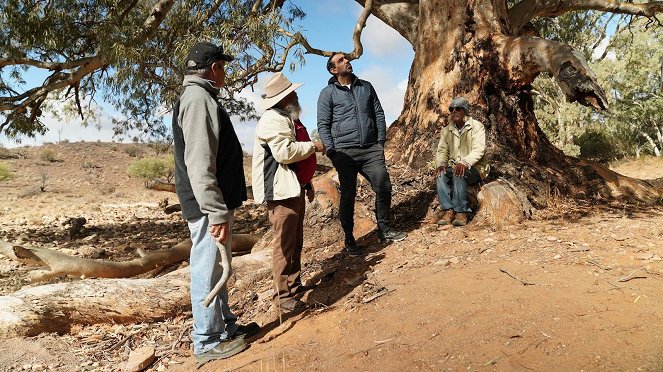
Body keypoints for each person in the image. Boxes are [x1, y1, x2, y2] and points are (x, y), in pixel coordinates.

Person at [172, 41, 259, 364]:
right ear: (214, 68)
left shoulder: (200, 96)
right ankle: (207, 340)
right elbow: (199, 162)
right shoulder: (197, 99)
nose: (225, 73)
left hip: (214, 202)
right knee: (207, 268)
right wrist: (214, 211)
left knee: (218, 264)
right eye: (223, 66)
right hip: (207, 204)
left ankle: (224, 329)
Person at [317, 53, 406, 256]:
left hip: (370, 150)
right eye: (341, 61)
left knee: (383, 186)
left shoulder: (366, 86)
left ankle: (384, 229)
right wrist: (332, 151)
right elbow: (323, 124)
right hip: (344, 153)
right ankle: (349, 239)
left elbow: (379, 113)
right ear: (333, 70)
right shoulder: (327, 93)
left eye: (346, 59)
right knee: (348, 195)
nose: (347, 61)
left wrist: (380, 142)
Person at [251, 72, 325, 313]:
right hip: (280, 193)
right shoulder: (273, 120)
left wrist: (306, 182)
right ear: (283, 98)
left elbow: (292, 161)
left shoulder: (286, 118)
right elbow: (284, 153)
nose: (296, 95)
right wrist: (313, 146)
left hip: (291, 188)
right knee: (284, 244)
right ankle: (283, 297)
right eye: (292, 92)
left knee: (295, 241)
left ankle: (293, 286)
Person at [434, 97, 489, 226]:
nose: (454, 111)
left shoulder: (477, 126)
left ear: (465, 110)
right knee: (440, 174)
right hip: (455, 166)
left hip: (476, 167)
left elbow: (479, 149)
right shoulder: (447, 130)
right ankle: (448, 210)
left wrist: (464, 162)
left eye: (458, 108)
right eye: (451, 109)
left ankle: (461, 212)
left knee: (458, 173)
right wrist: (441, 164)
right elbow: (442, 151)